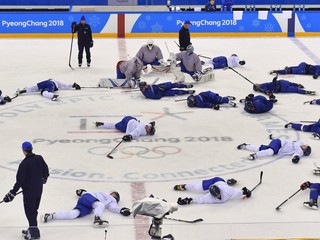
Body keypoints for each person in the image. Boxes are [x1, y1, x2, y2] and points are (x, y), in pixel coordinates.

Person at [3, 141, 49, 240]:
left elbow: (19, 181)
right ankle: (32, 229)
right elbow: (46, 170)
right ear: (31, 149)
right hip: (39, 190)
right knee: (34, 210)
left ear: (23, 151)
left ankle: (34, 233)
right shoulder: (39, 158)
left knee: (30, 212)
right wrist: (44, 178)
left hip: (29, 193)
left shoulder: (24, 164)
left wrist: (12, 193)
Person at [42, 189, 131, 225]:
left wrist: (121, 210)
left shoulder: (112, 200)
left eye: (114, 193)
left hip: (88, 205)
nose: (112, 193)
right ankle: (97, 218)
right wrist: (82, 192)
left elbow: (113, 207)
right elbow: (92, 194)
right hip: (88, 199)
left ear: (115, 196)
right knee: (100, 205)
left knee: (72, 215)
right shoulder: (105, 193)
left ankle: (51, 216)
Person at [173, 177, 251, 205]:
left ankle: (227, 181)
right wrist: (188, 200)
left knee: (224, 183)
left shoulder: (228, 190)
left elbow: (238, 192)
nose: (218, 196)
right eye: (216, 196)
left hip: (219, 181)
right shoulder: (210, 197)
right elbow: (200, 199)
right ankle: (185, 186)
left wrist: (245, 191)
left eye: (218, 194)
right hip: (213, 181)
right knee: (197, 188)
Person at [237, 138, 311, 162]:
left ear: (304, 151)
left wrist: (296, 158)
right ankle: (255, 155)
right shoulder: (300, 143)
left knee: (260, 149)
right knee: (270, 152)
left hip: (278, 149)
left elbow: (296, 155)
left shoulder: (299, 151)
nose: (304, 145)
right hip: (278, 143)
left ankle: (246, 146)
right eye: (306, 145)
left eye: (305, 147)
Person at [16, 79, 81, 101]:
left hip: (47, 83)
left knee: (37, 88)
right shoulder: (55, 81)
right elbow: (65, 85)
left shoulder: (52, 81)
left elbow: (34, 89)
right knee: (43, 92)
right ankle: (52, 96)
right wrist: (73, 85)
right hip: (51, 85)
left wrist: (26, 89)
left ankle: (23, 91)